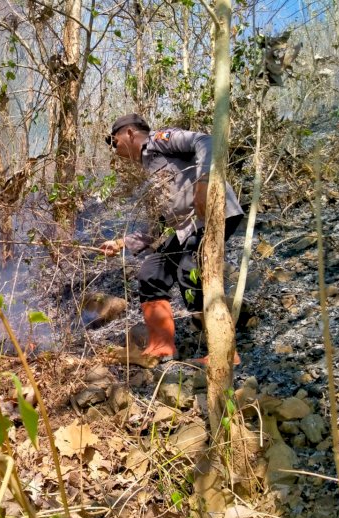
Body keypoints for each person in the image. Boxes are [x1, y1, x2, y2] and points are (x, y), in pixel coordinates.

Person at [101, 114, 244, 363]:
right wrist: (121, 243)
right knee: (151, 273)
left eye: (114, 142)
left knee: (191, 269)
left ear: (130, 134)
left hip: (211, 214)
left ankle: (224, 354)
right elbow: (159, 227)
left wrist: (203, 183)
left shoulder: (160, 141)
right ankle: (161, 347)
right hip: (184, 228)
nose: (115, 150)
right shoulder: (148, 169)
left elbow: (206, 141)